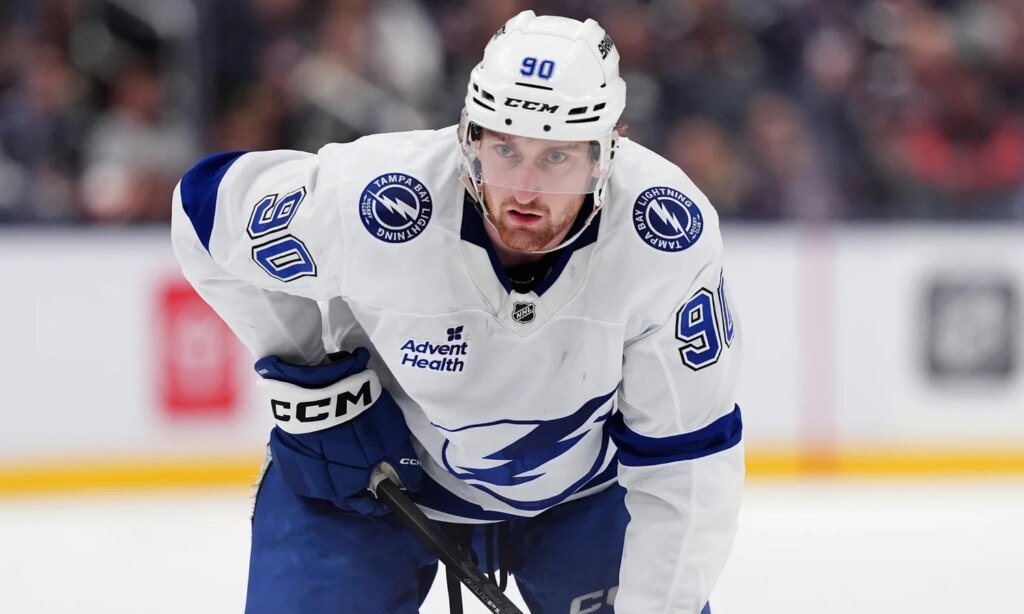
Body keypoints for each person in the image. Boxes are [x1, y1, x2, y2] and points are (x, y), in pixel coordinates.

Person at [171, 11, 743, 614]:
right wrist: (314, 375)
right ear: (470, 137)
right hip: (370, 485)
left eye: (557, 157)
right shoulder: (380, 198)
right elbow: (203, 214)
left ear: (606, 154)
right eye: (505, 149)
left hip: (585, 496)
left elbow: (687, 461)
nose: (525, 189)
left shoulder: (664, 235)